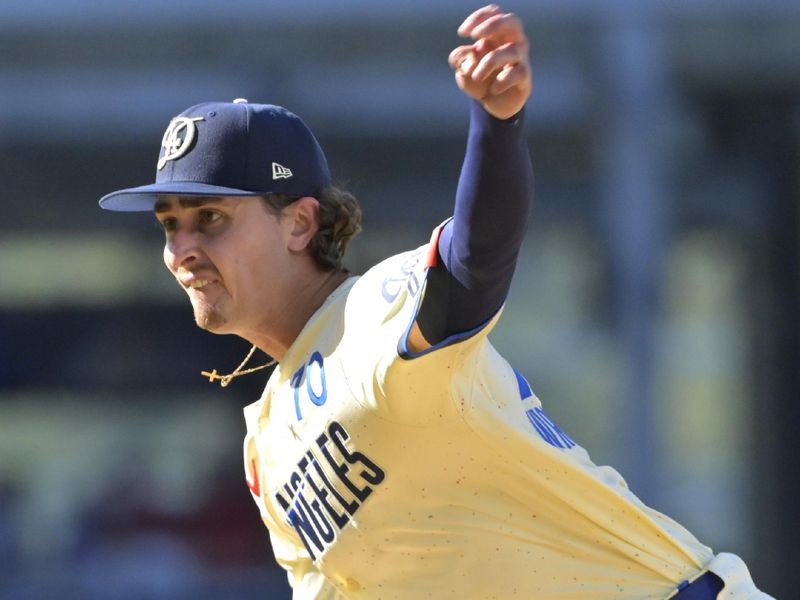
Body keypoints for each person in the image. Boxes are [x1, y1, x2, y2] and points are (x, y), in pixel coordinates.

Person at [99, 5, 771, 599]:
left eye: (209, 219)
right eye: (169, 225)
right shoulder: (267, 446)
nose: (182, 248)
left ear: (300, 224)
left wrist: (498, 123)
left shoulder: (370, 314)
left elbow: (474, 266)